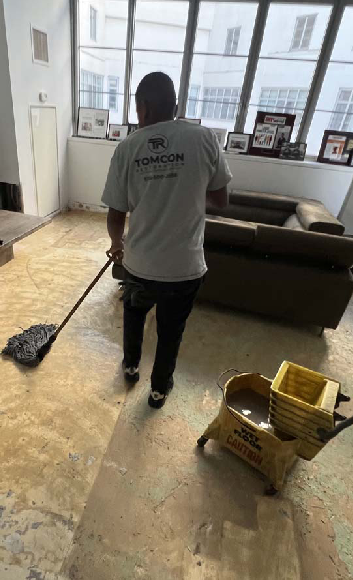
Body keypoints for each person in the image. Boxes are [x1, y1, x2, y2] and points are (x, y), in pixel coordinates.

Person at [101, 72, 231, 409]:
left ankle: (131, 366)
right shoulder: (204, 138)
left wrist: (117, 243)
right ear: (175, 106)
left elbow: (116, 214)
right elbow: (221, 200)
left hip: (140, 264)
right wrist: (185, 196)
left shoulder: (128, 147)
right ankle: (159, 389)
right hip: (185, 268)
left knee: (134, 316)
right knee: (171, 332)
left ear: (142, 107)